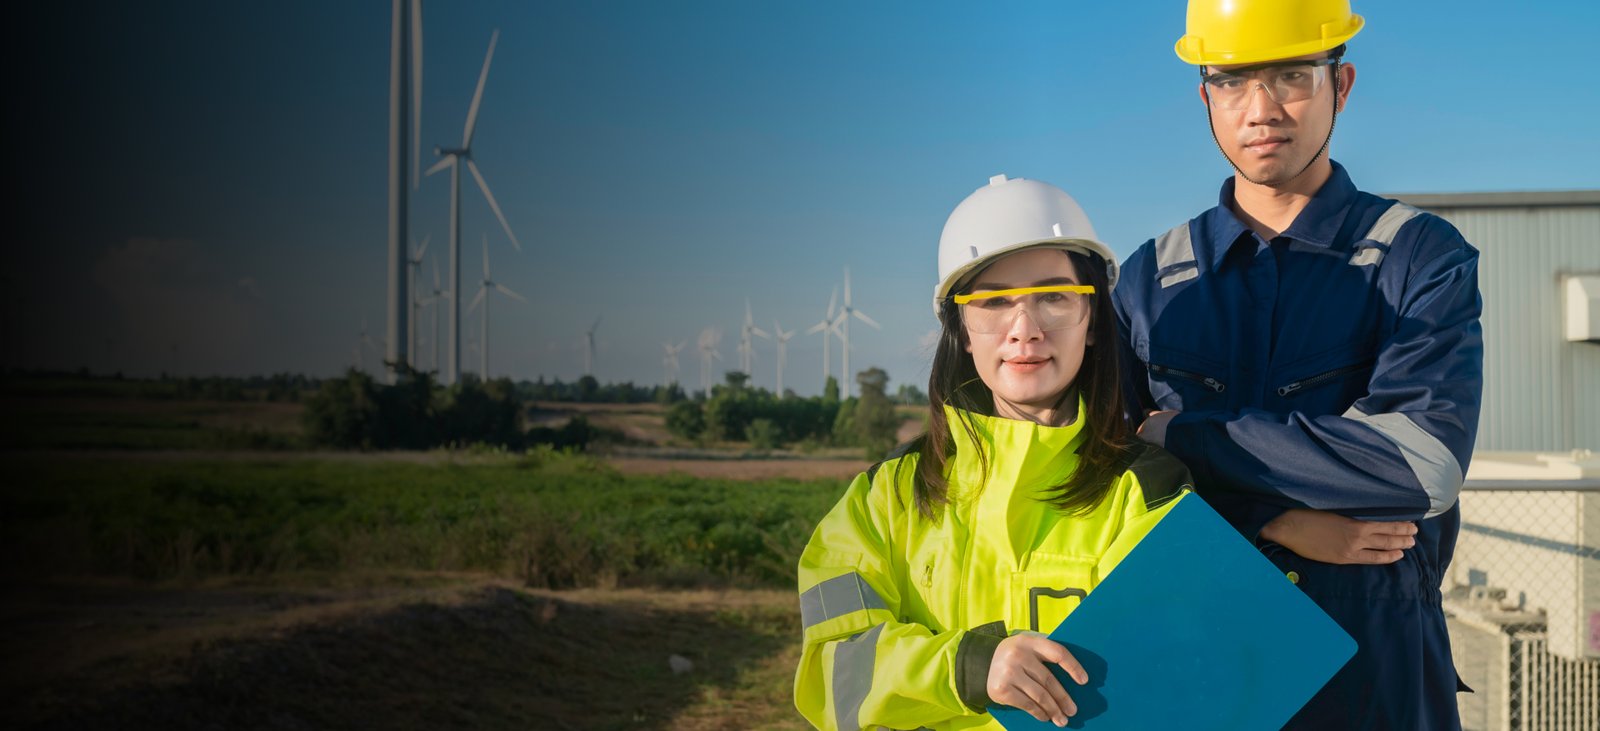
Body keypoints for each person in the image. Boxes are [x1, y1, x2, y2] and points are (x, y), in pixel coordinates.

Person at [1113, 2, 1484, 728]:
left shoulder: (1418, 258)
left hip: (1375, 667)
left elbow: (1420, 465)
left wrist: (1185, 437)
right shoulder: (1149, 282)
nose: (1261, 109)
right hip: (1197, 655)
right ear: (1205, 97)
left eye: (1290, 75)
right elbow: (1114, 482)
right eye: (1232, 82)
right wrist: (1272, 521)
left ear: (1340, 85)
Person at [794, 174, 1197, 730]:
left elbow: (1178, 686)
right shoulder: (884, 496)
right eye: (993, 302)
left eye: (1055, 297)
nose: (1024, 330)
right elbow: (832, 675)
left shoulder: (1147, 494)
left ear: (1095, 321)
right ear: (960, 328)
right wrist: (962, 667)